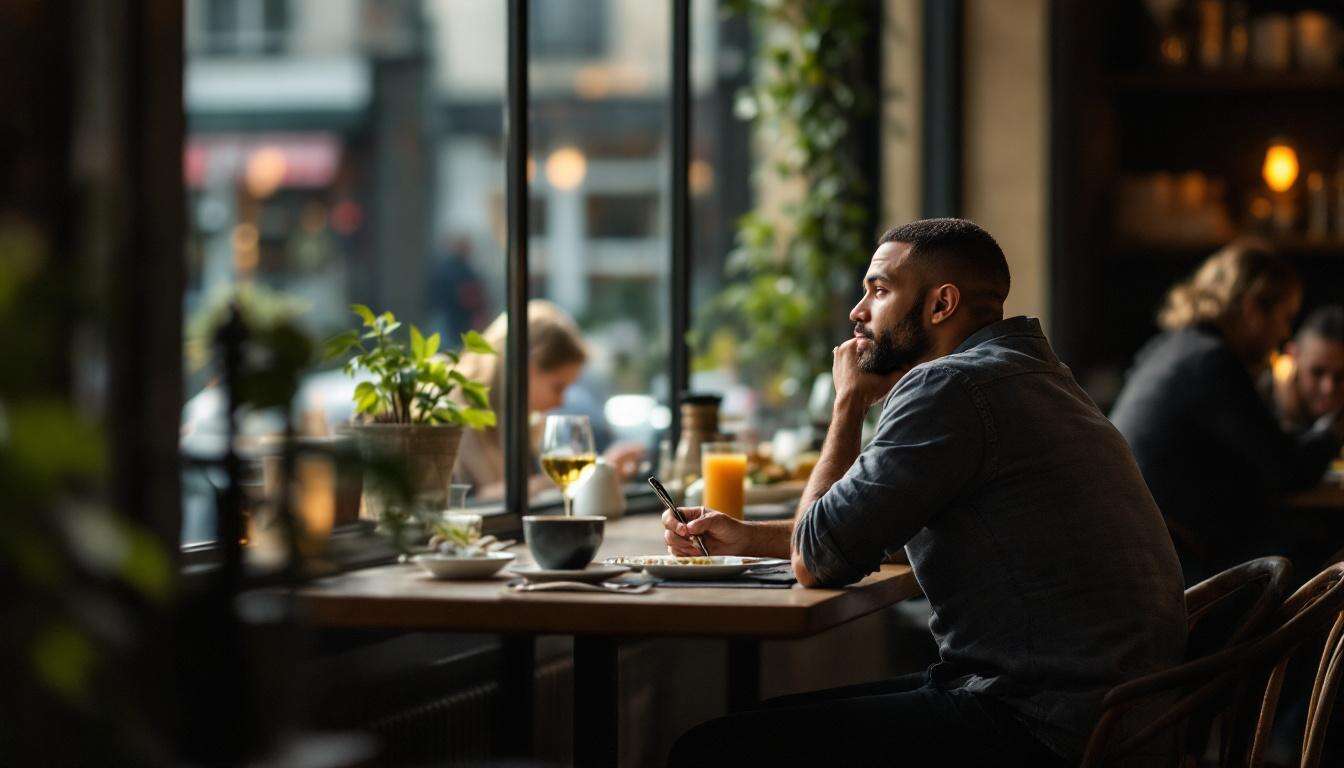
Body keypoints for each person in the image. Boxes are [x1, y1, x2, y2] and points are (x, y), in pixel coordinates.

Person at [663, 218, 1186, 767]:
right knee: (757, 725)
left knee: (711, 749)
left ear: (941, 305)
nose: (857, 312)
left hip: (1042, 726)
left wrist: (848, 405)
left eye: (880, 290)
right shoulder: (1036, 375)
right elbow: (876, 531)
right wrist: (747, 538)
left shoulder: (949, 385)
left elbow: (815, 559)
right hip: (1117, 718)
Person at [1110, 241, 1344, 584]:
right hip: (1179, 570)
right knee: (1327, 554)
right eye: (1284, 317)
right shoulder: (1211, 361)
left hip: (1140, 556)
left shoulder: (1171, 348)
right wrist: (1333, 431)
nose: (1283, 334)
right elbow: (1286, 468)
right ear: (1252, 308)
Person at [453, 299, 643, 500]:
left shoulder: (526, 427)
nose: (561, 402)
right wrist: (588, 473)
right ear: (523, 367)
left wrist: (600, 473)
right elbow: (472, 501)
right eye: (558, 387)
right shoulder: (456, 420)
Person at [1270, 305, 1344, 432]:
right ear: (1292, 357)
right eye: (1317, 372)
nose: (1329, 388)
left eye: (1341, 376)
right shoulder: (1255, 406)